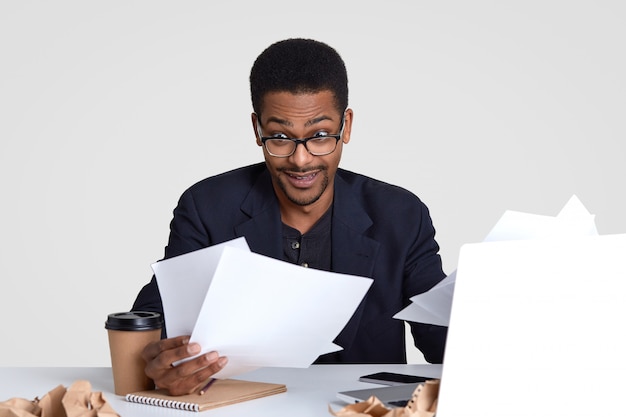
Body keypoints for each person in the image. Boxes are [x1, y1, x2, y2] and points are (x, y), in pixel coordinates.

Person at [132, 38, 448, 395]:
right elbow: (151, 319)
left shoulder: (401, 215)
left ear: (346, 125)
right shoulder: (207, 207)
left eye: (320, 135)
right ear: (257, 129)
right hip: (243, 407)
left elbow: (443, 339)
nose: (301, 160)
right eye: (280, 137)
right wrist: (159, 360)